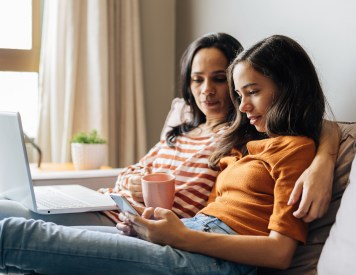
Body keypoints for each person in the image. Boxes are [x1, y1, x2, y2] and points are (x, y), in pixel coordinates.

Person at [0, 34, 337, 274]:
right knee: (18, 237)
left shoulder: (294, 148)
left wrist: (181, 237)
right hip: (188, 234)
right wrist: (155, 229)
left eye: (251, 92)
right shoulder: (248, 144)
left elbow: (280, 253)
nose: (242, 105)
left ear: (288, 86)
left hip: (209, 255)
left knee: (15, 235)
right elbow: (209, 211)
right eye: (239, 93)